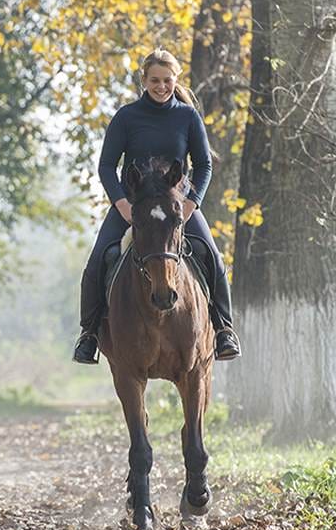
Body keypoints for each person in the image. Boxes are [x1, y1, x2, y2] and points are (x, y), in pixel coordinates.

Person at [73, 48, 241, 364]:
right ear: (144, 80)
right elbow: (106, 166)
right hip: (132, 205)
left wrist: (193, 203)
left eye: (166, 80)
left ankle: (223, 330)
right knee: (97, 260)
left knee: (212, 257)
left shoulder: (188, 117)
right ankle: (89, 335)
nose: (161, 86)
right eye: (154, 80)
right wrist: (121, 204)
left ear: (175, 80)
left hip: (177, 207)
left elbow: (204, 165)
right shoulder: (126, 116)